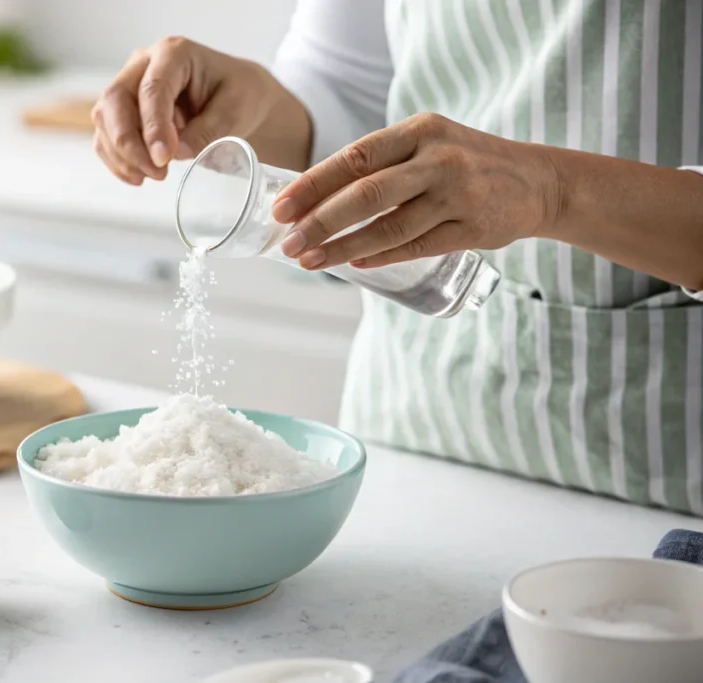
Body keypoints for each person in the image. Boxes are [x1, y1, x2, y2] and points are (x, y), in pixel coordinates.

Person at [91, 0, 703, 515]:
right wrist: (257, 107)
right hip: (412, 448)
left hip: (665, 484)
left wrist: (553, 188)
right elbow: (349, 101)